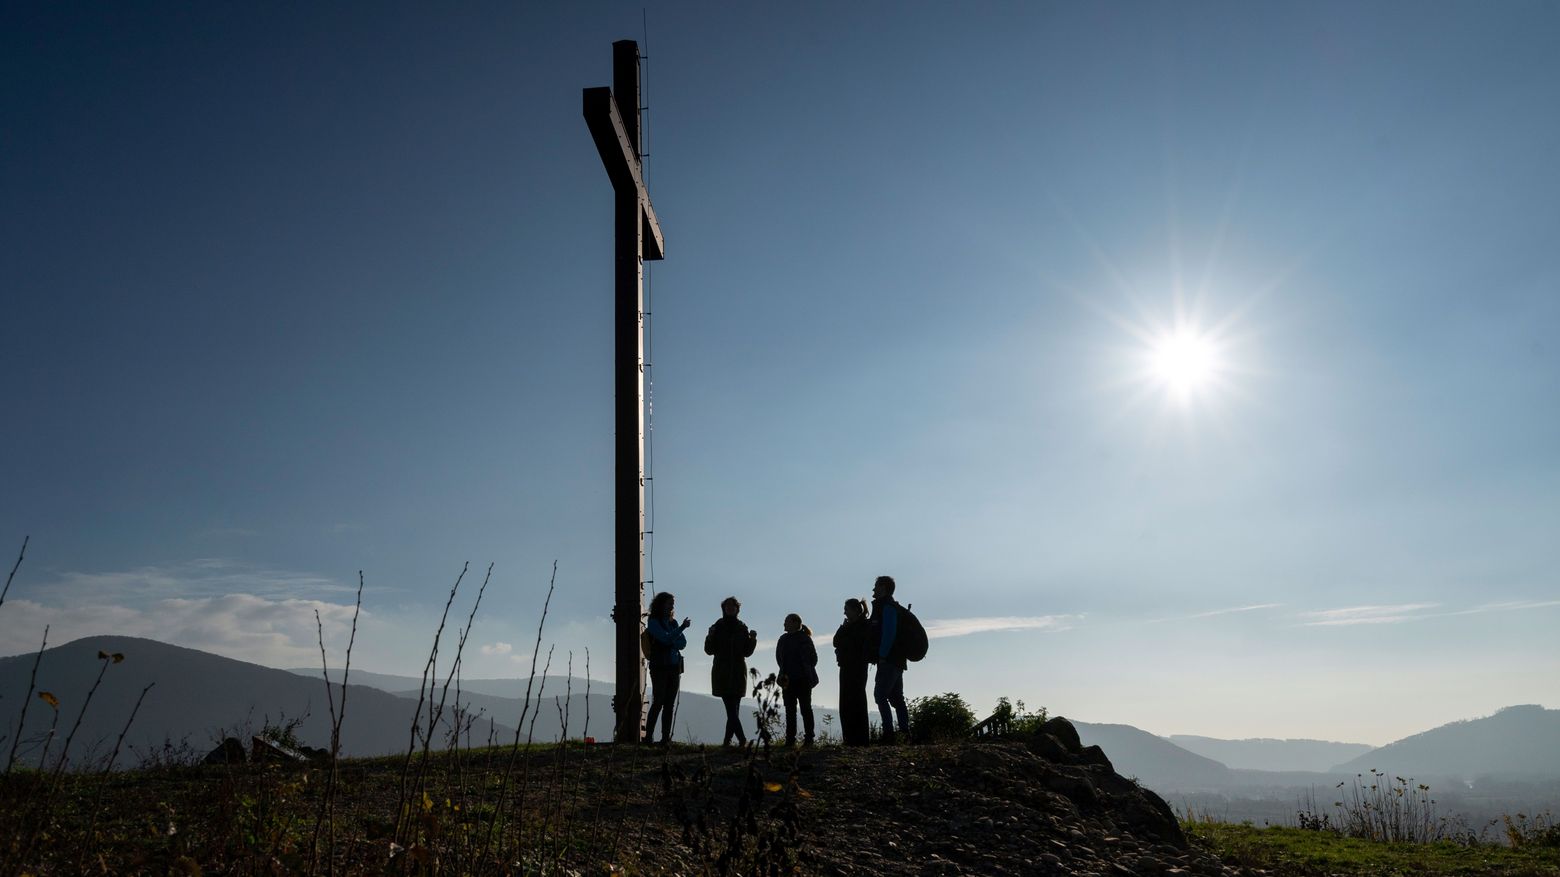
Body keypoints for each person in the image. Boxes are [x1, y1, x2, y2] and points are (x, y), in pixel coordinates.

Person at [704, 596, 757, 746]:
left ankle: (727, 742)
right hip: (722, 672)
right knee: (731, 709)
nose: (729, 608)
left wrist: (752, 639)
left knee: (734, 710)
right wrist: (710, 636)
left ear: (737, 609)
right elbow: (709, 650)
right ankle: (742, 740)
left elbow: (747, 651)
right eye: (727, 606)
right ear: (723, 609)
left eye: (732, 606)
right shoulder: (717, 626)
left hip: (739, 672)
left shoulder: (742, 628)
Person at [643, 591, 690, 745]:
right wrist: (679, 630)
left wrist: (671, 638)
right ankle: (648, 737)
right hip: (660, 667)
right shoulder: (654, 621)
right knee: (659, 702)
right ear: (661, 604)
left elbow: (682, 643)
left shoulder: (672, 623)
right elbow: (666, 639)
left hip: (673, 667)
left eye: (672, 604)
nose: (671, 607)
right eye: (669, 603)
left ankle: (664, 738)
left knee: (668, 703)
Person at [870, 575, 910, 744]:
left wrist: (882, 655)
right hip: (897, 659)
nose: (873, 589)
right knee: (896, 697)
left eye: (876, 586)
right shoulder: (889, 607)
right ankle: (904, 733)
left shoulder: (887, 607)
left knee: (880, 695)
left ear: (884, 588)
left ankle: (889, 734)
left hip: (889, 660)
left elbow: (888, 633)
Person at [832, 597, 873, 746]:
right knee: (847, 702)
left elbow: (844, 642)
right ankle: (850, 738)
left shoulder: (863, 626)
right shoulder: (851, 626)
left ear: (856, 610)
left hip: (856, 667)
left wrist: (844, 631)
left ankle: (859, 739)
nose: (845, 612)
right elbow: (836, 641)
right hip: (847, 666)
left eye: (847, 609)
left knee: (856, 701)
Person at [774, 612, 819, 747]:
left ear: (794, 623)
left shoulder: (803, 639)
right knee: (793, 710)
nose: (784, 624)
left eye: (787, 621)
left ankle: (806, 739)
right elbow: (813, 659)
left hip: (801, 679)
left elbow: (812, 659)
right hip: (790, 680)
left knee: (803, 709)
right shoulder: (788, 639)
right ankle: (792, 739)